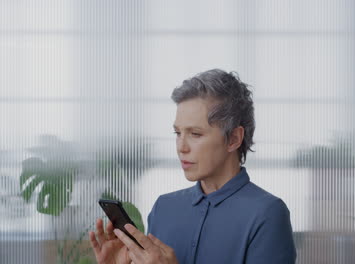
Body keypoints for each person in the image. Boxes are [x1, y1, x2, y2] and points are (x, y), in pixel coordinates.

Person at [89, 69, 297, 264]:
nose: (181, 147)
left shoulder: (267, 214)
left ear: (234, 138)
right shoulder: (164, 208)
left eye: (195, 134)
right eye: (178, 133)